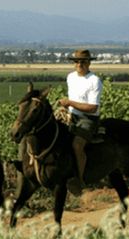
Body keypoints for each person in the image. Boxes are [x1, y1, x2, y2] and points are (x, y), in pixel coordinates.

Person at [57, 49, 102, 195]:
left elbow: (92, 107)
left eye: (83, 61)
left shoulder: (94, 80)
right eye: (77, 61)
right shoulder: (70, 77)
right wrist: (66, 108)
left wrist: (70, 102)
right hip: (72, 115)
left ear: (89, 63)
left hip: (88, 119)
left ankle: (80, 180)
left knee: (77, 145)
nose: (79, 64)